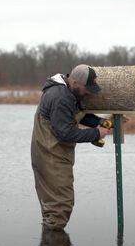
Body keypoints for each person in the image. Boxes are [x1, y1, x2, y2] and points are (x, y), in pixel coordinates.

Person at [31, 64, 110, 231]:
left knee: (55, 207)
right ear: (74, 82)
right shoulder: (61, 97)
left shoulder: (68, 92)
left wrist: (99, 122)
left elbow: (73, 116)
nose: (89, 92)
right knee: (60, 206)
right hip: (50, 155)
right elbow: (66, 133)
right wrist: (96, 134)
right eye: (86, 88)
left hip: (53, 152)